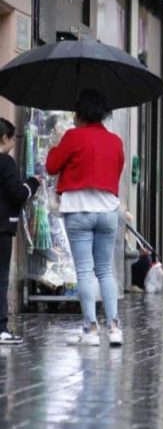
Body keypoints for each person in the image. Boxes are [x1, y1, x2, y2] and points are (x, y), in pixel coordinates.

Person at [45, 90, 126, 347]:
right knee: (105, 270)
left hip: (78, 210)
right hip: (108, 211)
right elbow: (117, 171)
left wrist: (56, 146)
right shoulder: (115, 141)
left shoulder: (73, 136)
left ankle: (90, 329)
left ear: (80, 113)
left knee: (84, 271)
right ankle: (114, 328)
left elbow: (51, 166)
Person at [0, 119, 39, 344]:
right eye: (13, 138)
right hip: (2, 228)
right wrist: (32, 184)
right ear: (5, 137)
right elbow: (18, 194)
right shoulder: (6, 162)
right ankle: (1, 329)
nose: (14, 143)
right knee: (1, 278)